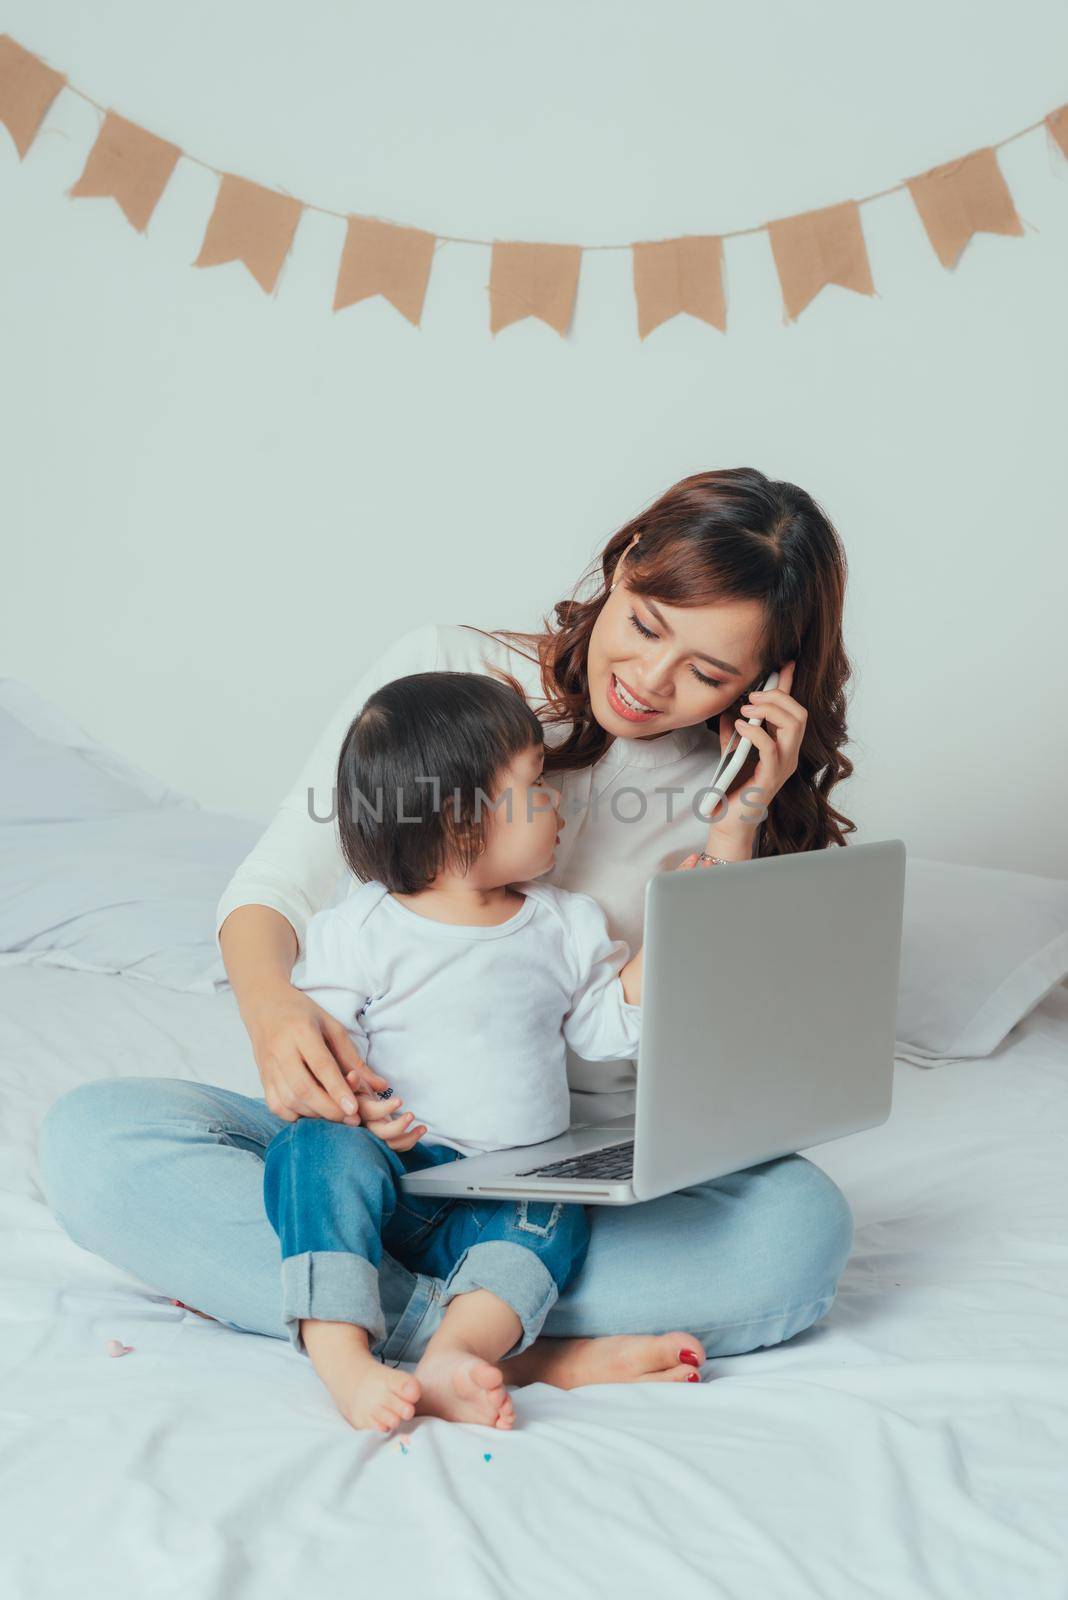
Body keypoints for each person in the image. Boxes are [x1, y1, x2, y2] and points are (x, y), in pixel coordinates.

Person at [38, 467, 857, 1395]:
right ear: (625, 564)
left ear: (767, 681)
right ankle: (512, 1345)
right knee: (93, 1139)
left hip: (567, 1180)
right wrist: (275, 1015)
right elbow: (277, 889)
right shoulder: (448, 676)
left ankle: (332, 1304)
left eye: (709, 673)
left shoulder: (728, 802)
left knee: (799, 1229)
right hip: (390, 1147)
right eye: (644, 626)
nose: (648, 681)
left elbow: (705, 1052)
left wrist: (740, 821)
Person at [266, 669, 699, 1433]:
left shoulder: (564, 924)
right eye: (536, 784)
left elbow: (603, 1024)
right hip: (395, 1181)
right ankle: (340, 1353)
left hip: (507, 1188)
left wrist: (678, 938)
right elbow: (327, 1052)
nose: (558, 800)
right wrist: (359, 1112)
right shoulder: (362, 927)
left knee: (558, 1205)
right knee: (310, 1149)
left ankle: (458, 1354)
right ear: (462, 819)